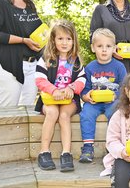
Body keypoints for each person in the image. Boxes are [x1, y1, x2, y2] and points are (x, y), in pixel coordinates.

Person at [35, 19, 86, 172]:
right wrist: (53, 90)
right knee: (52, 113)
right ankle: (44, 151)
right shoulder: (47, 58)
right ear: (53, 40)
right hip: (50, 98)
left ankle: (66, 153)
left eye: (68, 39)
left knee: (64, 115)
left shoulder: (75, 61)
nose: (64, 43)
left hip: (69, 99)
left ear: (73, 40)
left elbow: (82, 79)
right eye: (60, 38)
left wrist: (72, 87)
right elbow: (39, 79)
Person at [79, 28, 127, 163]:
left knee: (116, 112)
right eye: (100, 46)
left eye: (108, 46)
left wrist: (116, 96)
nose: (104, 50)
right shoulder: (89, 68)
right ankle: (88, 147)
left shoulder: (119, 67)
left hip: (112, 101)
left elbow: (125, 87)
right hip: (94, 102)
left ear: (115, 48)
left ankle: (112, 145)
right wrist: (85, 96)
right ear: (93, 48)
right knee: (86, 114)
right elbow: (85, 88)